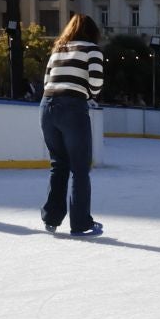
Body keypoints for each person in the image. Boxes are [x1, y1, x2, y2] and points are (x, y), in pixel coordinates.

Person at [39, 14, 106, 237]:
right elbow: (96, 82)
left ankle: (51, 219)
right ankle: (80, 224)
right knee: (80, 168)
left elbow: (47, 80)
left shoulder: (59, 49)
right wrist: (87, 95)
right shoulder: (92, 49)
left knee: (58, 164)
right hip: (72, 107)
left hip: (47, 106)